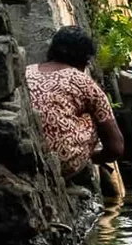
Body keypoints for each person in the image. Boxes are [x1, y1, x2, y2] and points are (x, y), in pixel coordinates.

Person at [26, 26, 124, 182]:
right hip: (58, 164)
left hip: (22, 154)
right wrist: (93, 158)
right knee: (92, 116)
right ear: (85, 60)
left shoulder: (27, 71)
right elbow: (116, 148)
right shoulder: (83, 82)